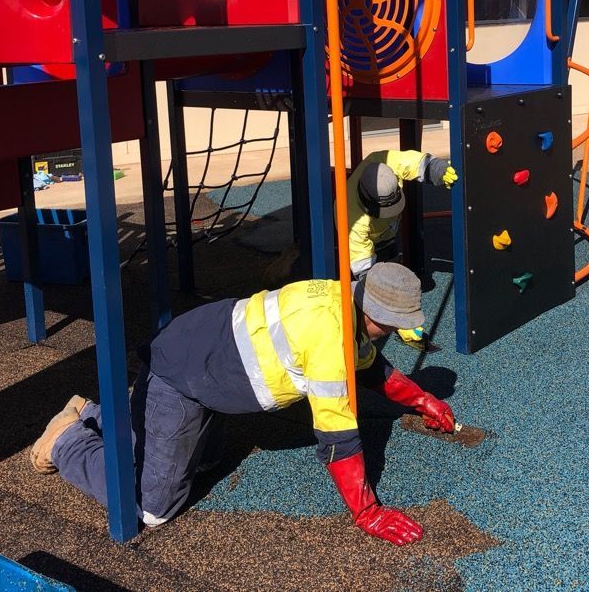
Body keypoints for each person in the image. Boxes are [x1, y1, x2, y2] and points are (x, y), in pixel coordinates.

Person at [31, 262, 456, 544]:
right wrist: (367, 511)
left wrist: (421, 399)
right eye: (396, 323)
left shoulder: (344, 300)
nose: (401, 330)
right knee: (153, 507)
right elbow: (338, 436)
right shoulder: (331, 335)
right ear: (373, 312)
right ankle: (68, 440)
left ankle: (96, 413)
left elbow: (368, 368)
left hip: (208, 364)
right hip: (182, 375)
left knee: (206, 462)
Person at [347, 150, 457, 349]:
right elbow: (366, 275)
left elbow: (417, 163)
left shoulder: (383, 163)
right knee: (375, 281)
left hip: (386, 231)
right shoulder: (353, 222)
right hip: (373, 238)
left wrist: (440, 170)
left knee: (391, 261)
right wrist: (394, 316)